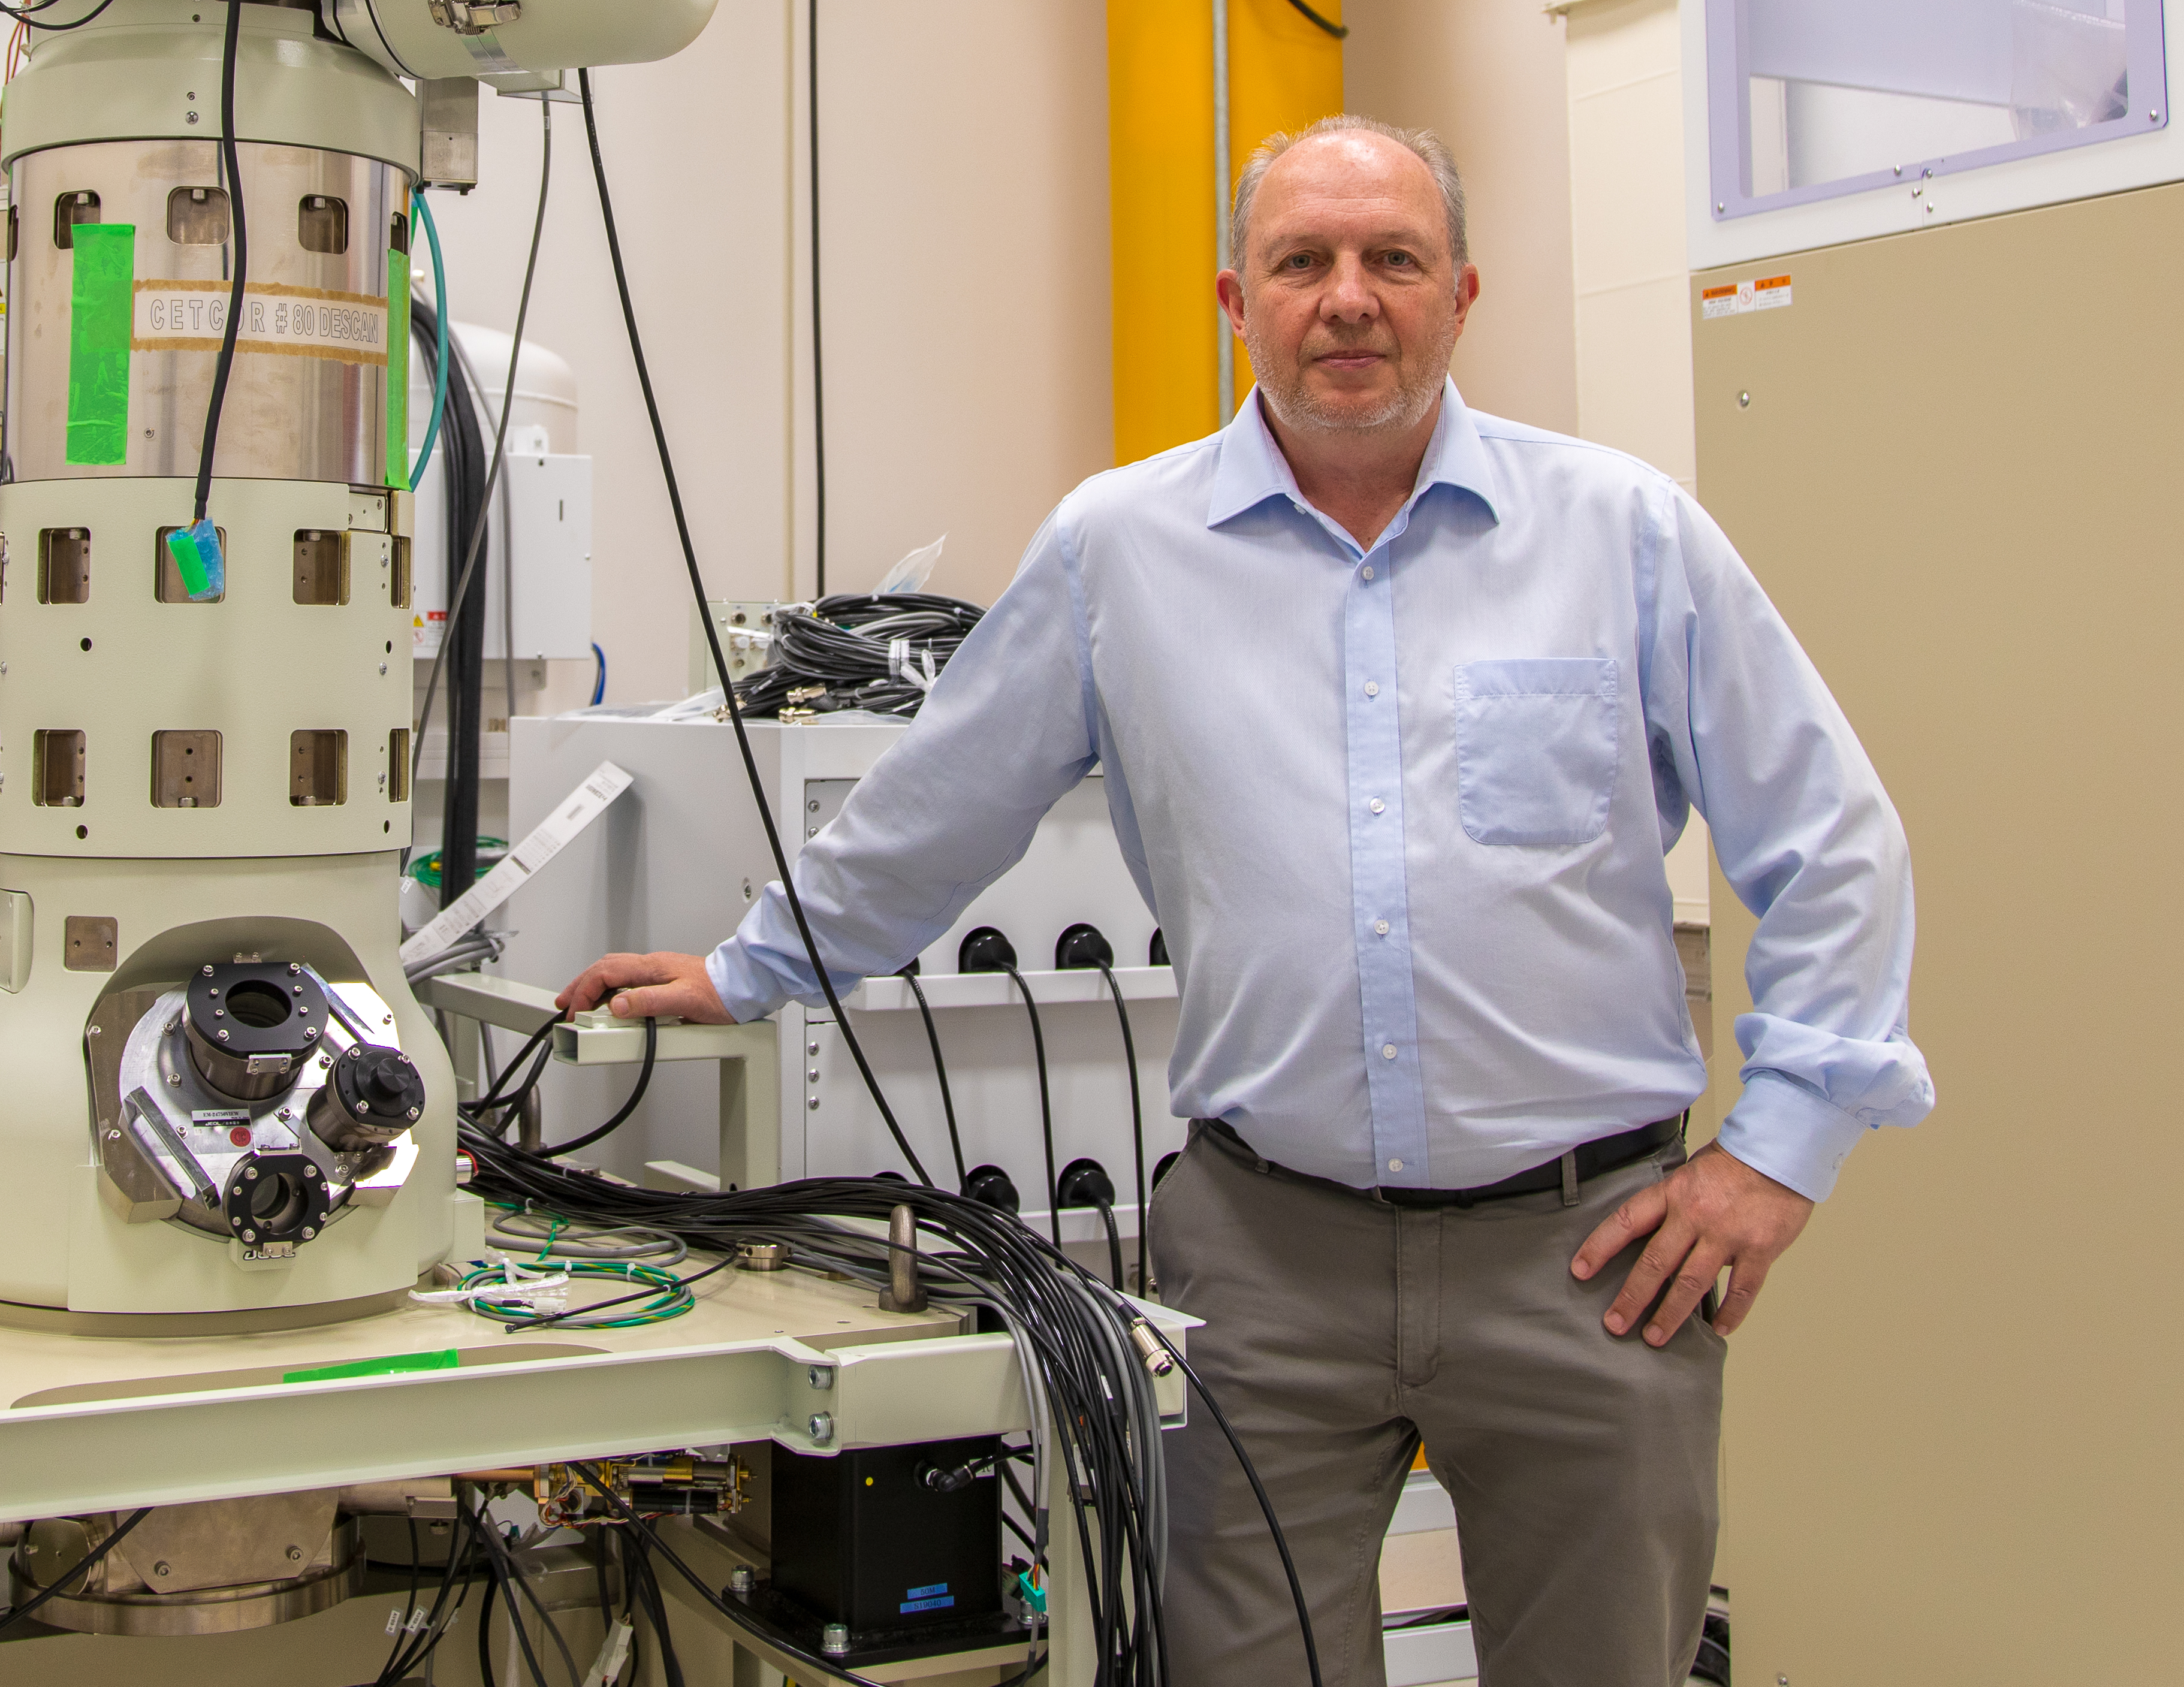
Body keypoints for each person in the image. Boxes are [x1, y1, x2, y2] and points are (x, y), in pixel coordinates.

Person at [556, 115, 1932, 1686]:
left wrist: (1778, 1155)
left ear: (1460, 294)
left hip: (1588, 1265)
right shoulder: (1118, 549)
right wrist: (750, 972)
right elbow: (939, 805)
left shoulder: (1619, 534)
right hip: (1261, 1264)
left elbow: (1829, 839)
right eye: (1302, 262)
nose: (1346, 299)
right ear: (1236, 299)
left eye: (1390, 260)